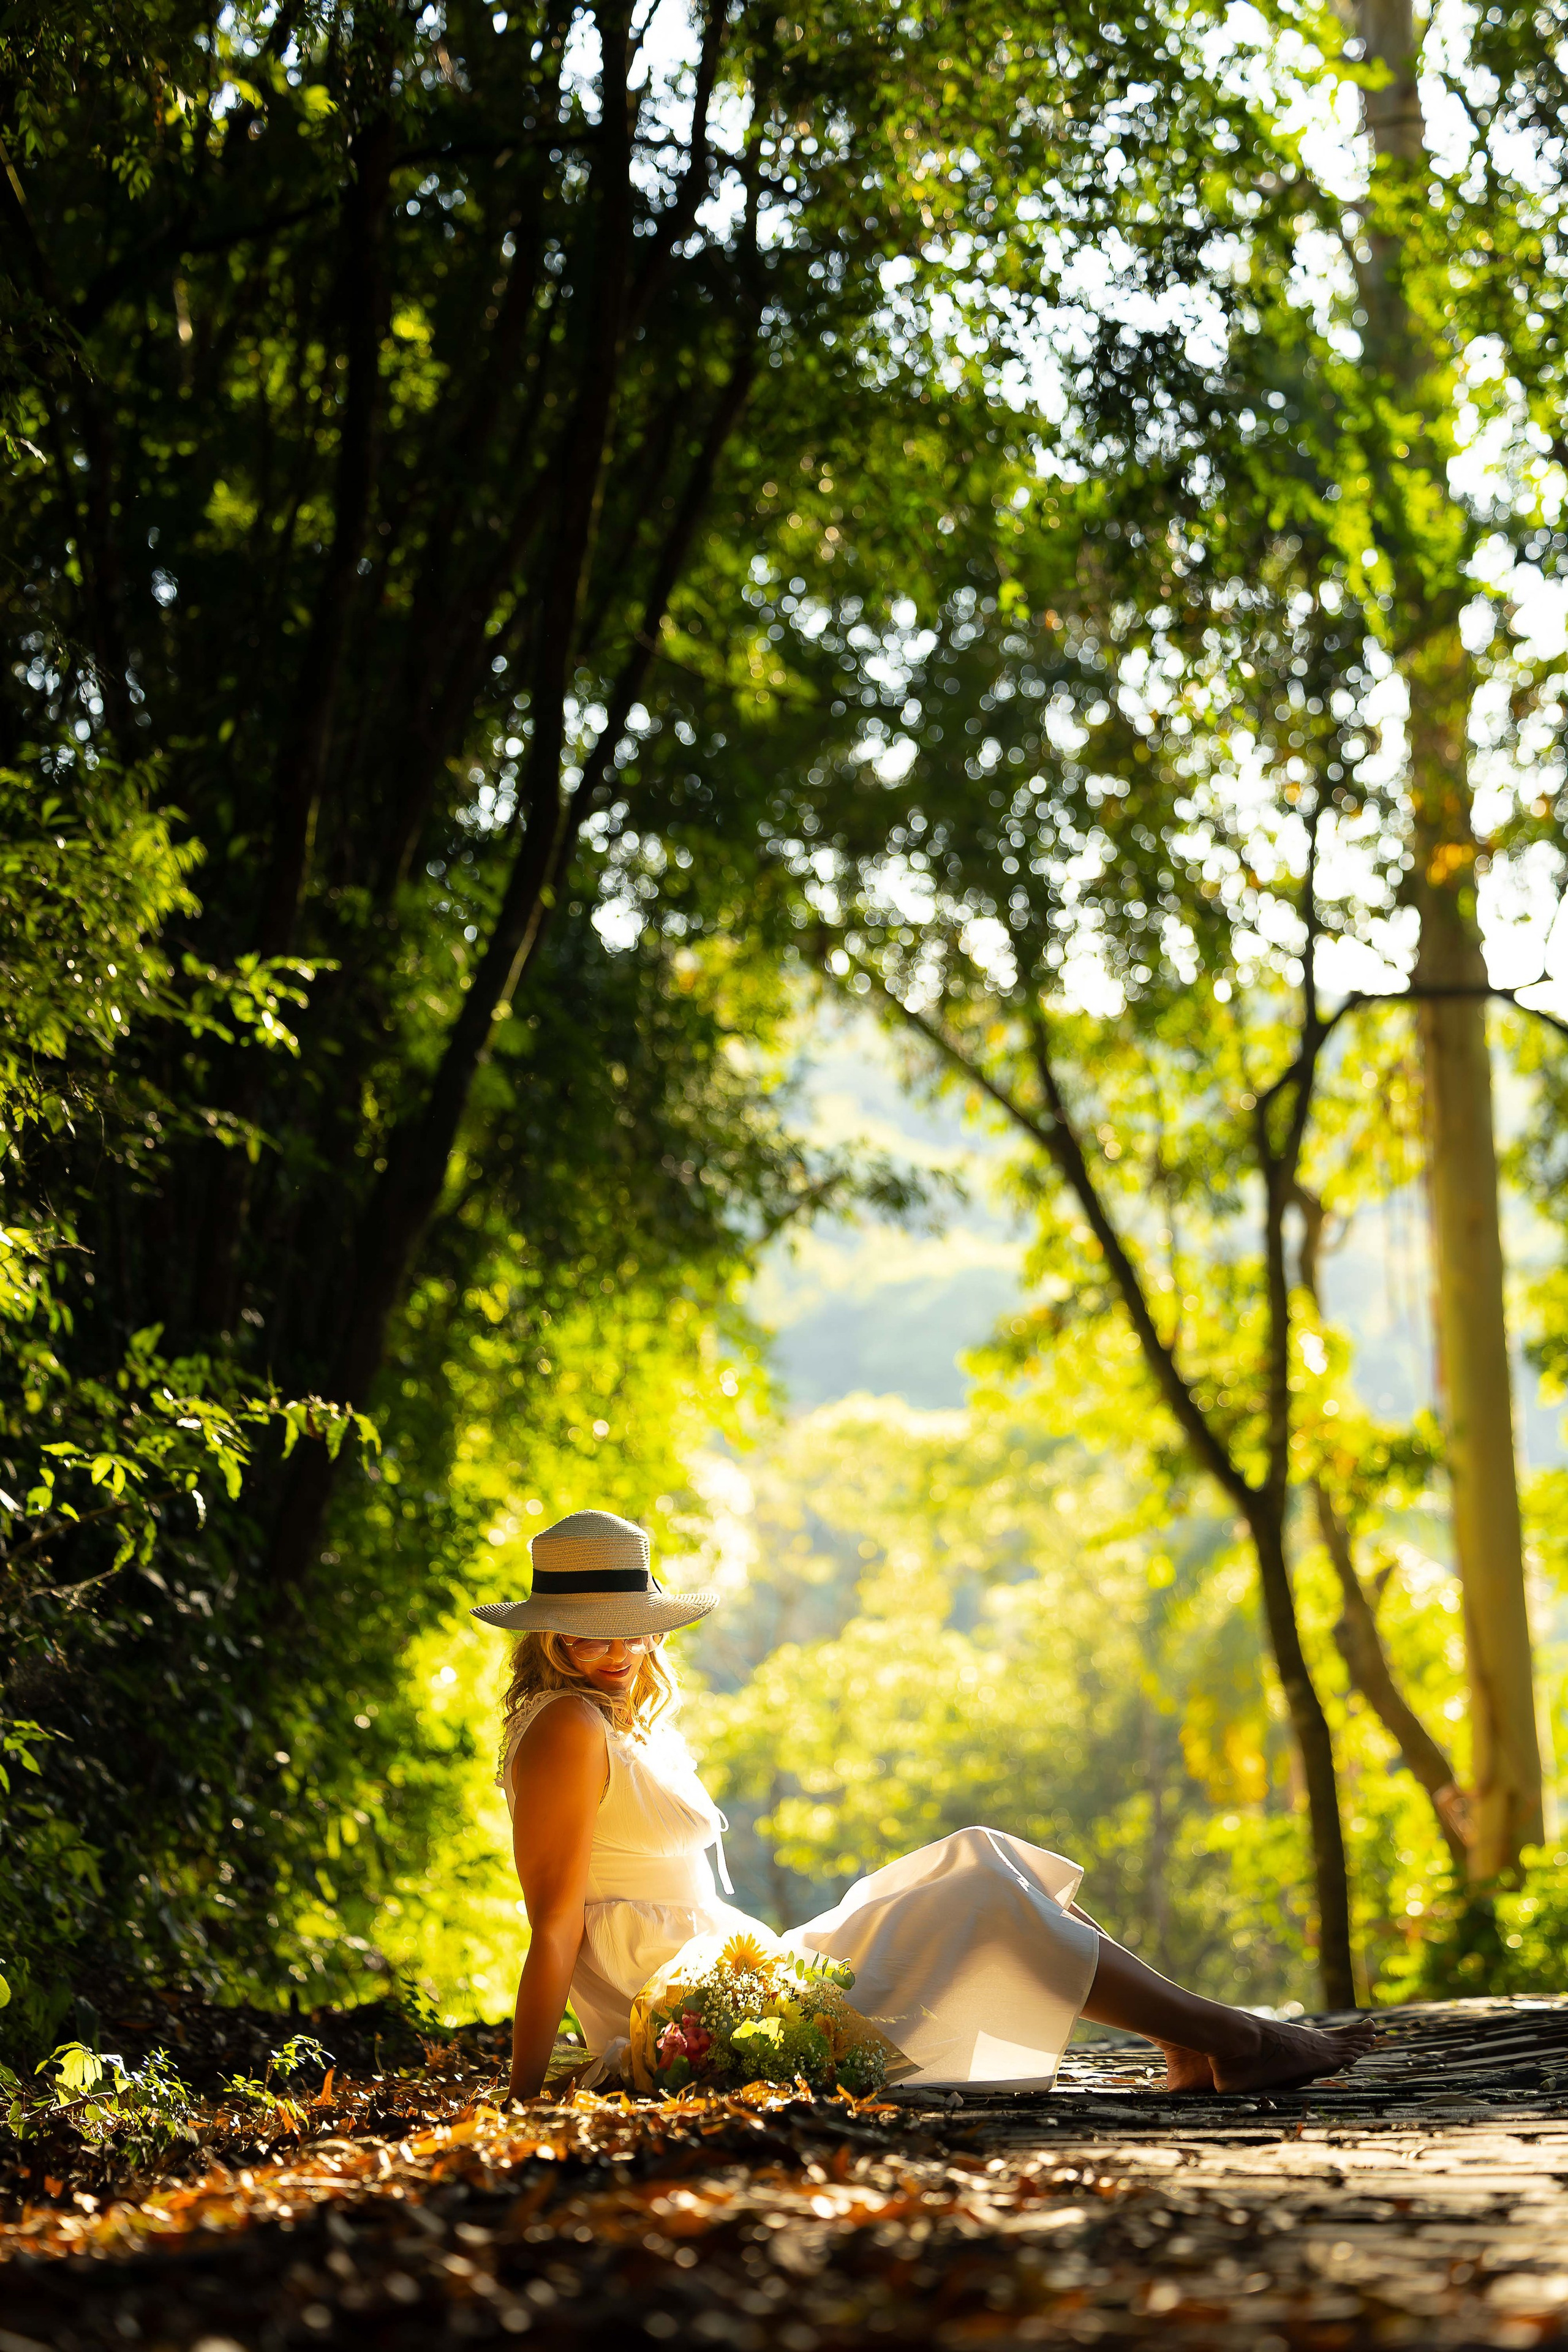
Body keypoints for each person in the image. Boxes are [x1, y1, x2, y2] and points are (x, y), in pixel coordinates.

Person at [475, 1509, 1378, 2103]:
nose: (617, 1647)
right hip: (688, 2009)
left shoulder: (617, 1723)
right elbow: (553, 1923)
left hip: (737, 1969)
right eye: (590, 1629)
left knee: (986, 1856)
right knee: (980, 1891)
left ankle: (1193, 2046)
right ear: (547, 1631)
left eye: (631, 1625)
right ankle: (1232, 2040)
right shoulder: (564, 1728)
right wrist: (523, 2096)